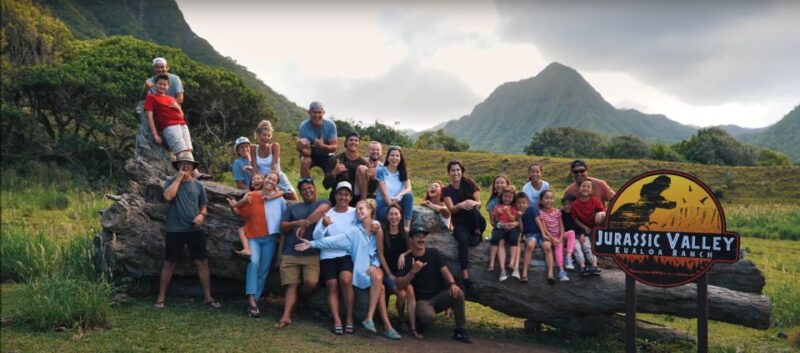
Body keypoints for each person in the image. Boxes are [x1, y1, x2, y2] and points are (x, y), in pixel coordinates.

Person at [296, 200, 402, 340]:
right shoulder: (353, 231)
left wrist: (375, 264)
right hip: (362, 268)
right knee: (381, 288)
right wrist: (312, 244)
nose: (358, 211)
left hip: (374, 266)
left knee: (378, 279)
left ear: (370, 211)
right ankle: (385, 325)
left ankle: (373, 320)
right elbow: (334, 240)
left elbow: (379, 254)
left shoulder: (378, 228)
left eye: (362, 209)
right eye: (357, 209)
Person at [153, 155, 220, 309]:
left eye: (189, 164)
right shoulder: (170, 182)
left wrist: (201, 215)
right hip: (174, 229)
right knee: (170, 263)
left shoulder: (198, 186)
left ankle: (208, 297)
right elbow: (168, 196)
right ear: (178, 166)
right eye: (183, 164)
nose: (186, 166)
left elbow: (204, 205)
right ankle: (161, 297)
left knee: (202, 262)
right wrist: (178, 179)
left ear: (193, 167)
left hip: (195, 229)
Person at [396, 227, 473, 344]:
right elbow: (399, 285)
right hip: (422, 301)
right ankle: (420, 324)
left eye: (424, 236)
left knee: (458, 293)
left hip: (438, 297)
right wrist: (412, 271)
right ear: (411, 239)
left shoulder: (434, 253)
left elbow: (445, 271)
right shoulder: (405, 260)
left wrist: (452, 284)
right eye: (418, 236)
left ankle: (460, 331)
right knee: (428, 316)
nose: (421, 239)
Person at [227, 172, 286, 317]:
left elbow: (284, 219)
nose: (270, 181)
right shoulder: (252, 196)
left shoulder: (279, 200)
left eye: (274, 180)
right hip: (254, 237)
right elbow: (238, 211)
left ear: (276, 184)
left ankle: (253, 301)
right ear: (264, 179)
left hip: (270, 239)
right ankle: (252, 301)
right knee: (253, 263)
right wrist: (233, 205)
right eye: (269, 178)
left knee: (263, 270)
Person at [275, 178, 331, 328]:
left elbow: (322, 211)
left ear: (315, 188)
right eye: (304, 190)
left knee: (311, 283)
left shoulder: (322, 203)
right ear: (300, 193)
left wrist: (305, 224)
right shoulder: (293, 208)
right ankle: (286, 316)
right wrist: (295, 223)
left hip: (311, 253)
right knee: (291, 285)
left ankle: (295, 301)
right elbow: (282, 227)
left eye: (310, 188)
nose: (308, 191)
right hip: (290, 252)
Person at [311, 182, 358, 335]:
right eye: (340, 194)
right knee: (332, 284)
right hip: (327, 255)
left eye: (346, 194)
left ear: (350, 197)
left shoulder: (355, 212)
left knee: (346, 279)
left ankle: (350, 318)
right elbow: (316, 237)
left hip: (345, 254)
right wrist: (323, 225)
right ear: (335, 195)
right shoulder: (328, 213)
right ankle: (337, 319)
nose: (343, 197)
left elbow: (367, 223)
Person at [442, 160, 484, 295]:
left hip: (476, 221)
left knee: (471, 206)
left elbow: (480, 203)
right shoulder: (446, 190)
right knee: (462, 241)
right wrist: (460, 205)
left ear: (462, 171)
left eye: (458, 170)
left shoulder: (469, 183)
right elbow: (451, 210)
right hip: (460, 224)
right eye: (453, 170)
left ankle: (477, 234)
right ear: (449, 173)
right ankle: (466, 277)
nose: (456, 173)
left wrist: (472, 203)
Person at [377, 204, 419, 337]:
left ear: (401, 216)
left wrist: (403, 254)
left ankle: (400, 319)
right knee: (401, 294)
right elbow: (380, 254)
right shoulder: (382, 232)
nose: (394, 217)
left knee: (406, 293)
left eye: (396, 214)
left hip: (401, 272)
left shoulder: (405, 232)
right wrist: (388, 273)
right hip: (386, 271)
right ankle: (389, 320)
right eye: (391, 214)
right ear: (387, 216)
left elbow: (412, 248)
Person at [252, 120, 297, 201]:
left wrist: (271, 180)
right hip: (263, 180)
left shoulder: (274, 146)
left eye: (268, 135)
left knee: (293, 198)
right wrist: (258, 178)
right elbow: (254, 167)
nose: (266, 138)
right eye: (264, 135)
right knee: (265, 200)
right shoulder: (253, 148)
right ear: (258, 135)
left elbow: (274, 165)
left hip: (277, 176)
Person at [537, 190, 576, 284]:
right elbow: (544, 229)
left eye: (551, 198)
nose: (549, 200)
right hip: (550, 237)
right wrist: (553, 238)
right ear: (541, 201)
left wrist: (561, 236)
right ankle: (561, 271)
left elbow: (561, 226)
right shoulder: (541, 213)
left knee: (571, 232)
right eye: (546, 198)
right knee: (559, 246)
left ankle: (568, 257)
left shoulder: (557, 212)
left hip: (559, 235)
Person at [323, 132, 369, 205]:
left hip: (355, 202)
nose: (353, 142)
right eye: (350, 140)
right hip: (337, 200)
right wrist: (334, 172)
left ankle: (363, 203)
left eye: (356, 140)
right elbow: (325, 185)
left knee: (362, 169)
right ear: (346, 143)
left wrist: (372, 178)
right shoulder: (335, 160)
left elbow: (371, 189)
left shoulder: (364, 163)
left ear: (359, 144)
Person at [375, 146, 413, 233]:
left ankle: (407, 226)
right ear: (387, 157)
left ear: (400, 158)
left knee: (409, 196)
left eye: (397, 156)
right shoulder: (381, 171)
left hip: (398, 202)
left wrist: (400, 194)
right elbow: (384, 193)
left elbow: (408, 188)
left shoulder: (403, 171)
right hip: (384, 205)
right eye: (392, 155)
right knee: (394, 216)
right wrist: (394, 208)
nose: (395, 158)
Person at [571, 179, 604, 276]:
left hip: (594, 229)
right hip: (582, 230)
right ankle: (583, 267)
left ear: (592, 191)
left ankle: (594, 265)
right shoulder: (575, 204)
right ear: (579, 189)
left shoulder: (595, 202)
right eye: (583, 186)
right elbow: (575, 219)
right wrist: (584, 228)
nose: (585, 188)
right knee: (579, 247)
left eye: (588, 187)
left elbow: (603, 212)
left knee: (587, 247)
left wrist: (600, 214)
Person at [296, 101, 337, 178]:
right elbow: (307, 153)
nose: (317, 115)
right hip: (311, 154)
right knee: (305, 162)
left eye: (319, 112)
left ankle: (334, 187)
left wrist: (322, 146)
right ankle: (307, 186)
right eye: (314, 112)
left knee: (335, 164)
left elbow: (334, 148)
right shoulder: (303, 127)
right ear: (309, 112)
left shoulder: (331, 125)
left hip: (327, 154)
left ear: (323, 113)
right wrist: (300, 149)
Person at [490, 186, 522, 282]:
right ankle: (492, 263)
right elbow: (495, 221)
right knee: (495, 239)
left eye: (509, 197)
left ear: (513, 198)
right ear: (502, 197)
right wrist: (497, 214)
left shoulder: (513, 208)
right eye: (505, 196)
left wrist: (507, 212)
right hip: (501, 227)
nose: (507, 199)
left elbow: (513, 219)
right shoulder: (497, 206)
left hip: (512, 228)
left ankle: (512, 262)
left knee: (514, 239)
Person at [486, 174, 511, 273]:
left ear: (507, 184)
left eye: (502, 183)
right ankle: (498, 268)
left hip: (513, 228)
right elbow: (492, 223)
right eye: (497, 183)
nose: (499, 185)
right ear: (494, 185)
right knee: (499, 241)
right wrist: (501, 225)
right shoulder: (492, 202)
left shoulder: (513, 198)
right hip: (499, 228)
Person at [517, 192, 544, 283]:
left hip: (540, 235)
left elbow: (539, 223)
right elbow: (521, 230)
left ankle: (551, 274)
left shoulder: (532, 209)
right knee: (530, 245)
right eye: (519, 203)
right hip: (530, 235)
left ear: (527, 203)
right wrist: (519, 218)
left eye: (523, 203)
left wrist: (543, 235)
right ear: (516, 204)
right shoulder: (518, 215)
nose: (521, 205)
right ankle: (524, 272)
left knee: (547, 247)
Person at [561, 195, 586, 273]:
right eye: (565, 205)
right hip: (567, 236)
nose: (567, 206)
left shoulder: (576, 213)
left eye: (569, 204)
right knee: (576, 247)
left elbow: (581, 224)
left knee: (586, 245)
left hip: (578, 234)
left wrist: (582, 233)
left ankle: (593, 264)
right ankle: (582, 266)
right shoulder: (561, 214)